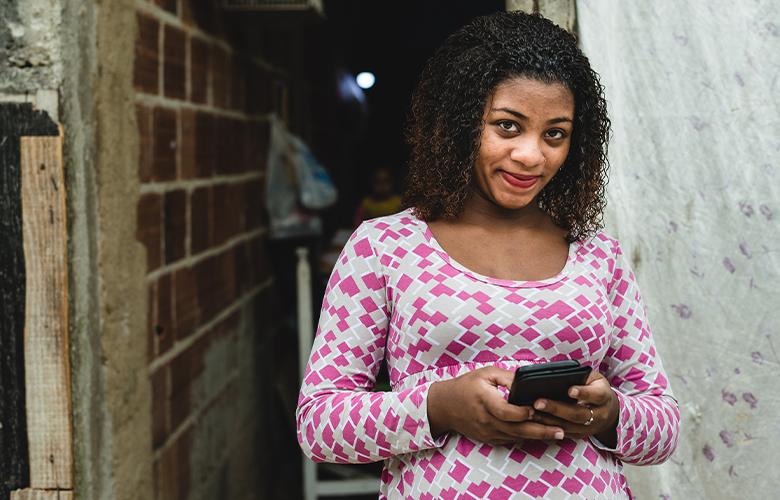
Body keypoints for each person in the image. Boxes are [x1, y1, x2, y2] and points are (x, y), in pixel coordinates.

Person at [297, 11, 679, 499]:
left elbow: (663, 423)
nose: (531, 155)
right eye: (507, 126)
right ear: (459, 124)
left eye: (554, 134)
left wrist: (609, 416)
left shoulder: (597, 255)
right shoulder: (384, 247)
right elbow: (320, 425)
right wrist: (438, 406)